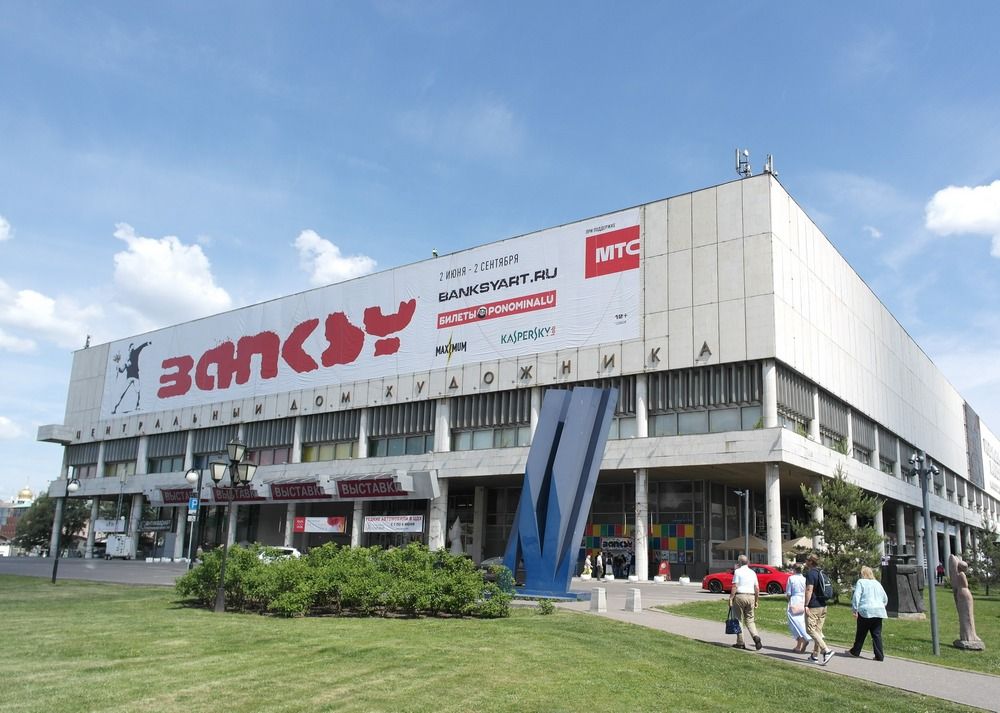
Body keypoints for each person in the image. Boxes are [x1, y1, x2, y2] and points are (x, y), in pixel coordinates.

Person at [848, 566, 888, 661]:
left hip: (865, 610)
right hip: (878, 611)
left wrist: (855, 609)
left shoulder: (861, 582)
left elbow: (856, 596)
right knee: (876, 634)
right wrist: (881, 605)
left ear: (863, 574)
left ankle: (855, 651)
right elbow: (885, 598)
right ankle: (879, 655)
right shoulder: (877, 583)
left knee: (861, 633)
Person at [804, 553, 834, 664]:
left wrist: (806, 605)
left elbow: (809, 590)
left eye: (807, 560)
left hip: (814, 606)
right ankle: (814, 656)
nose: (805, 562)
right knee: (817, 631)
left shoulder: (811, 573)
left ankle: (826, 650)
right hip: (823, 606)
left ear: (811, 562)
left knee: (810, 630)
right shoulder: (821, 572)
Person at [728, 554, 763, 651]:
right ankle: (755, 636)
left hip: (740, 596)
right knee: (750, 620)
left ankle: (740, 642)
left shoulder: (737, 571)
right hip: (751, 596)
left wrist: (731, 598)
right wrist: (756, 600)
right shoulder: (752, 573)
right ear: (748, 562)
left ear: (739, 562)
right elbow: (757, 588)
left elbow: (735, 586)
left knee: (738, 619)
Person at [785, 562, 811, 653]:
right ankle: (799, 645)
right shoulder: (804, 579)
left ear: (794, 569)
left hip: (794, 600)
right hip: (803, 600)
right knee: (801, 622)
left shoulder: (791, 578)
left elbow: (788, 592)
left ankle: (803, 638)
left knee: (793, 623)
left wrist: (789, 600)